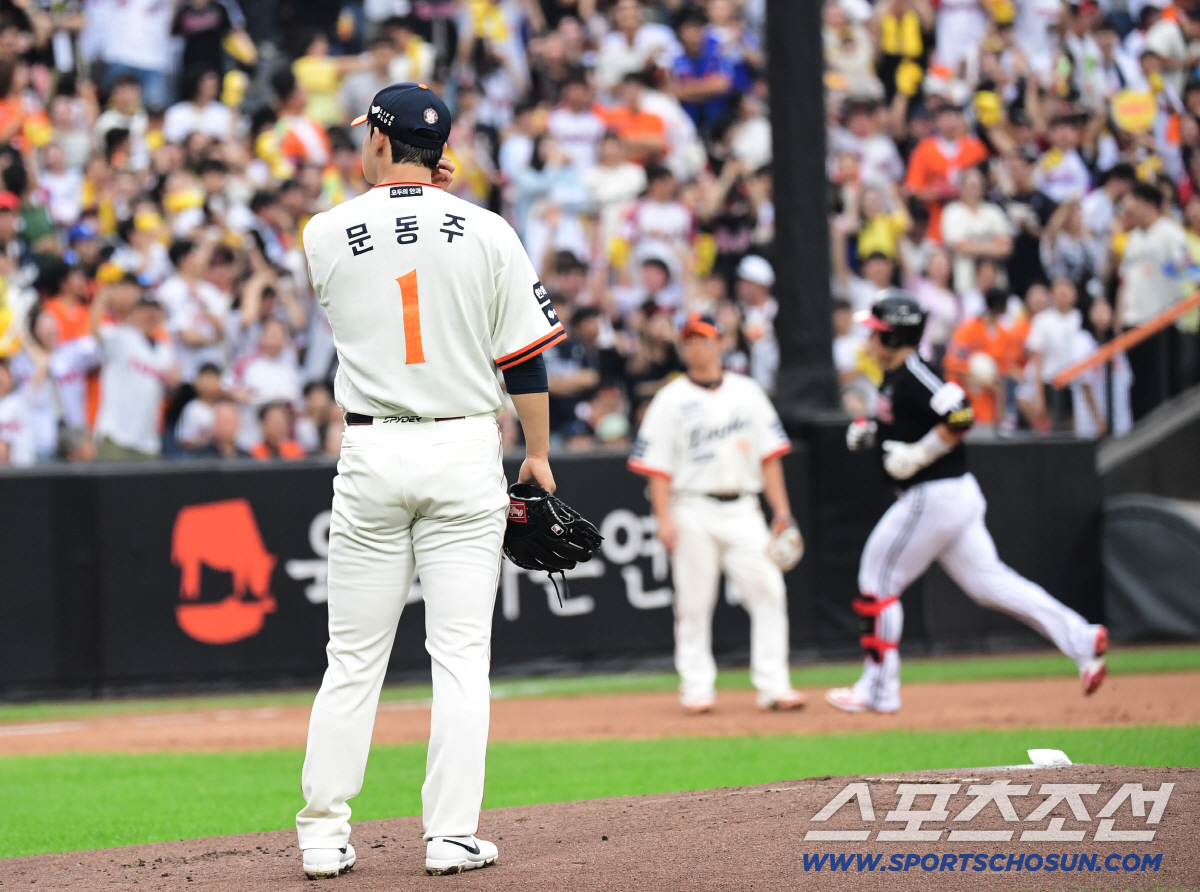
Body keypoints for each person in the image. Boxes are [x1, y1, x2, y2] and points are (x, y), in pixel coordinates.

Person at [295, 83, 563, 879]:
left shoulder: (322, 232)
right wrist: (539, 457)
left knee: (352, 657)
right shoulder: (488, 231)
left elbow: (374, 266)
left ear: (379, 142)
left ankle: (321, 834)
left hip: (373, 451)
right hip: (461, 450)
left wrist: (412, 199)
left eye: (366, 137)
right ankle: (449, 835)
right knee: (459, 656)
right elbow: (525, 358)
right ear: (439, 150)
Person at [828, 292, 1108, 714]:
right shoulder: (896, 374)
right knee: (989, 583)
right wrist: (873, 431)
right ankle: (1082, 638)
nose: (868, 340)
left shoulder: (915, 373)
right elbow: (903, 420)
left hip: (934, 494)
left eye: (876, 333)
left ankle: (880, 689)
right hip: (952, 495)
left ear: (894, 335)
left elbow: (959, 415)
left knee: (878, 579)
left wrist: (919, 454)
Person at [628, 312, 804, 715]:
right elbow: (657, 468)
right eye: (689, 340)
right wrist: (664, 519)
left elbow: (770, 457)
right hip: (692, 505)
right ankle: (696, 688)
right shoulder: (670, 399)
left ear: (720, 343)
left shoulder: (747, 392)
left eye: (704, 339)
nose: (697, 347)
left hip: (744, 506)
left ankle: (775, 686)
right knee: (693, 602)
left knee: (769, 590)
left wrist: (782, 514)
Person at [1117, 181, 1191, 419]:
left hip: (1161, 320)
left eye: (1134, 203)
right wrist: (1120, 317)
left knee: (1160, 387)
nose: (1129, 209)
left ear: (1149, 204)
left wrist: (1171, 274)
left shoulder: (1169, 232)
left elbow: (1187, 269)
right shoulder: (1133, 238)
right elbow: (1125, 280)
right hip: (1134, 320)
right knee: (1138, 384)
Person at [91, 291, 179, 461]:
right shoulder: (121, 337)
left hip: (148, 442)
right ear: (134, 313)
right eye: (145, 309)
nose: (150, 314)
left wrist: (173, 384)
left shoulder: (166, 352)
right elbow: (95, 331)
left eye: (155, 310)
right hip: (115, 436)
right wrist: (101, 299)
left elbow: (170, 391)